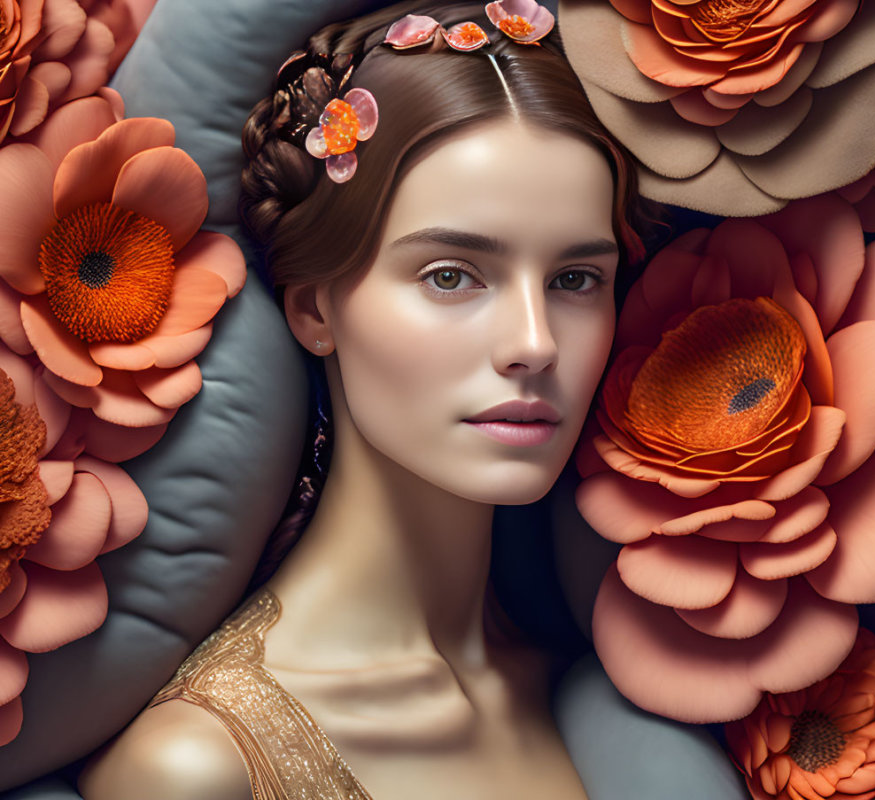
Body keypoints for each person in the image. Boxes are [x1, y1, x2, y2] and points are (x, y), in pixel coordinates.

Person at [77, 2, 641, 797]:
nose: (536, 342)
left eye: (576, 279)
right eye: (451, 275)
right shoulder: (202, 767)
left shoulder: (596, 688)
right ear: (314, 308)